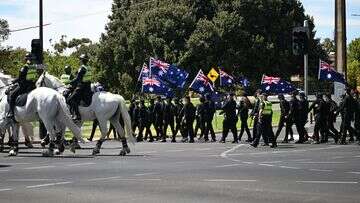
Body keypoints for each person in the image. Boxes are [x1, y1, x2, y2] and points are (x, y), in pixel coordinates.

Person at [6, 53, 38, 120]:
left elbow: (21, 78)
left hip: (24, 86)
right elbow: (33, 77)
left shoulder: (25, 67)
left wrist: (14, 81)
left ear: (26, 59)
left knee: (12, 95)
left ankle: (11, 112)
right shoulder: (34, 67)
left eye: (26, 58)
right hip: (32, 86)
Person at [67, 54, 92, 121]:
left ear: (82, 60)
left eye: (80, 59)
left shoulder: (82, 68)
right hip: (88, 86)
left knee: (70, 99)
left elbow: (78, 79)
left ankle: (77, 116)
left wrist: (69, 83)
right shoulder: (89, 67)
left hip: (82, 87)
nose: (79, 60)